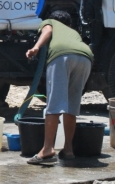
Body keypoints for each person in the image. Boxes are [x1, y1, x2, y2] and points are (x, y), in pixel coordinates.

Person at [25, 10, 93, 165]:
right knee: (71, 104)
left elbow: (47, 30)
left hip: (62, 55)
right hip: (85, 56)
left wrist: (36, 47)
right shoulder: (73, 31)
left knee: (54, 104)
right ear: (69, 24)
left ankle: (47, 149)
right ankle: (68, 149)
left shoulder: (50, 22)